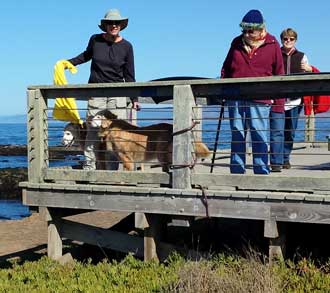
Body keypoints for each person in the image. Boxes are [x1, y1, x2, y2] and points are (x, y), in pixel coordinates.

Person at [66, 8, 137, 170]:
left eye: (117, 23)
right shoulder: (95, 40)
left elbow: (129, 74)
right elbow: (85, 55)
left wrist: (134, 98)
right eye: (110, 23)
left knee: (116, 134)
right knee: (92, 131)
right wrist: (68, 63)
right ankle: (90, 168)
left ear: (121, 25)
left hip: (118, 95)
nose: (114, 25)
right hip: (96, 93)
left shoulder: (127, 46)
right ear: (105, 25)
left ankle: (111, 171)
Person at [221, 9, 284, 174]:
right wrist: (223, 91)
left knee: (259, 135)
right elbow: (226, 68)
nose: (247, 34)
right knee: (237, 134)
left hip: (261, 98)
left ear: (261, 29)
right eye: (244, 30)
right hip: (235, 97)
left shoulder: (273, 44)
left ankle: (261, 172)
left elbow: (280, 74)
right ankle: (236, 172)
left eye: (251, 31)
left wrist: (279, 104)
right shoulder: (236, 43)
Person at [270, 28, 313, 171]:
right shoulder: (275, 54)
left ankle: (285, 158)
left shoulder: (302, 56)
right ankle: (276, 161)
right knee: (277, 131)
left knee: (290, 131)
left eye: (291, 39)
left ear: (295, 40)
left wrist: (310, 70)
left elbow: (309, 75)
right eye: (285, 39)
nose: (288, 41)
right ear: (281, 40)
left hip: (295, 101)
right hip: (277, 99)